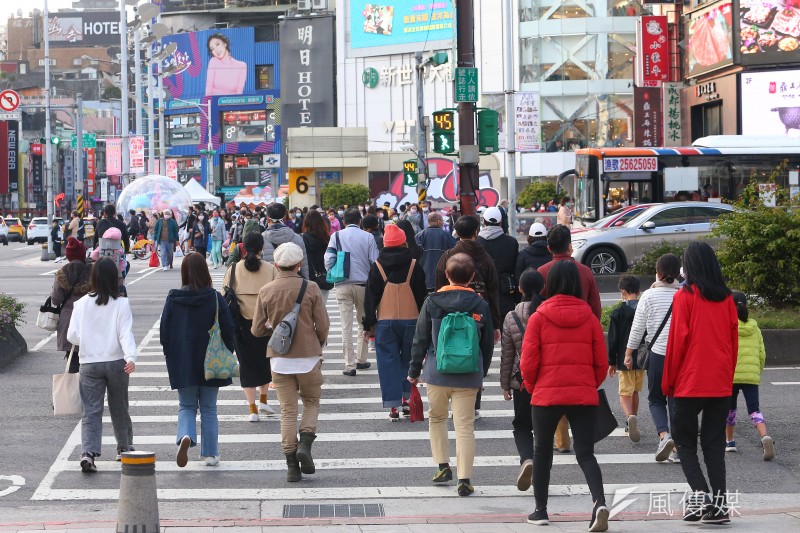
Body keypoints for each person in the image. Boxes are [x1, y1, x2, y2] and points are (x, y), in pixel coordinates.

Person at [520, 260, 608, 531]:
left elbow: (528, 362)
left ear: (550, 284)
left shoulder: (539, 317)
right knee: (585, 453)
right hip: (582, 392)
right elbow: (601, 362)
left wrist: (533, 387)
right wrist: (588, 384)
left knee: (542, 452)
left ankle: (541, 510)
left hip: (546, 394)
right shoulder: (590, 318)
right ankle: (599, 502)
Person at [662, 242, 738, 524]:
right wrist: (726, 378)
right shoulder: (727, 298)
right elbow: (733, 344)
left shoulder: (685, 297)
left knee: (684, 442)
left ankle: (702, 496)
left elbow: (676, 345)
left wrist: (667, 383)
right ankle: (718, 507)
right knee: (714, 446)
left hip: (688, 382)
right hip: (719, 383)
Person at [408, 253, 494, 497]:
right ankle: (464, 479)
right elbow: (486, 345)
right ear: (472, 276)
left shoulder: (433, 301)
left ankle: (443, 466)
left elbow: (421, 339)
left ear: (446, 274)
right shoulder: (480, 304)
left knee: (437, 418)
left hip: (437, 372)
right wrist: (481, 372)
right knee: (465, 426)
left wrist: (414, 371)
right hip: (468, 374)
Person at [251, 243, 330, 482]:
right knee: (311, 401)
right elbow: (323, 324)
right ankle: (305, 444)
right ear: (298, 264)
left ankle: (291, 466)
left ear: (275, 265)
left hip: (279, 360)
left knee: (287, 411)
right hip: (308, 357)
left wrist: (272, 333)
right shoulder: (312, 288)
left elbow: (256, 329)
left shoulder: (266, 290)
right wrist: (317, 343)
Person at [160, 252, 237, 467]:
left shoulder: (173, 299)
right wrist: (226, 351)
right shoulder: (214, 298)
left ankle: (186, 435)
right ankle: (210, 454)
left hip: (182, 359)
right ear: (205, 271)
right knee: (209, 408)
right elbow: (229, 329)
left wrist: (171, 354)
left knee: (186, 406)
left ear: (184, 273)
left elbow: (164, 332)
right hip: (211, 360)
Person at [66, 258, 137, 473]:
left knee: (91, 411)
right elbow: (126, 334)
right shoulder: (121, 303)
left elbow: (72, 336)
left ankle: (88, 453)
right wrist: (131, 357)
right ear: (115, 278)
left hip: (89, 363)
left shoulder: (81, 304)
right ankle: (123, 448)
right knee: (119, 407)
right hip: (117, 362)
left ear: (93, 277)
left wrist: (88, 340)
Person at [362, 224, 427, 420]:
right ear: (404, 242)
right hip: (412, 321)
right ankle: (407, 400)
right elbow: (421, 296)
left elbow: (370, 300)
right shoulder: (414, 265)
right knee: (409, 359)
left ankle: (393, 406)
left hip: (385, 322)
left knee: (387, 362)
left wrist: (368, 326)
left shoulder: (377, 266)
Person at [624, 254, 681, 463]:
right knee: (676, 400)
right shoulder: (685, 294)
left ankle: (664, 436)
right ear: (678, 273)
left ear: (657, 273)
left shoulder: (648, 296)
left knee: (656, 398)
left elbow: (638, 329)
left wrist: (629, 354)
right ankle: (678, 447)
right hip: (680, 357)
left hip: (658, 354)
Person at [222, 232, 278, 422]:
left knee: (246, 365)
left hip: (240, 324)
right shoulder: (271, 269)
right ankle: (264, 400)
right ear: (262, 247)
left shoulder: (234, 268)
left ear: (243, 247)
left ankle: (252, 409)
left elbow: (224, 294)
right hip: (266, 323)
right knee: (265, 362)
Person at [500, 268, 544, 492]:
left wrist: (505, 384)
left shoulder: (511, 316)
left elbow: (507, 354)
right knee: (543, 428)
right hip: (546, 381)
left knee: (522, 425)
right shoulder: (546, 313)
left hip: (522, 380)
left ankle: (527, 459)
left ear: (519, 289)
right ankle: (541, 475)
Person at [324, 208, 379, 376]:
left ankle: (349, 364)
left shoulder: (337, 236)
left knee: (346, 325)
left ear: (344, 221)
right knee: (364, 322)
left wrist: (334, 272)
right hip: (363, 285)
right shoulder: (368, 237)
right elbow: (375, 261)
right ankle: (361, 359)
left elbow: (328, 259)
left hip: (343, 284)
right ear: (360, 221)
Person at [726, 292, 774, 460]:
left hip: (731, 376)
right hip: (751, 376)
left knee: (730, 409)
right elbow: (762, 354)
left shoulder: (727, 326)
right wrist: (757, 371)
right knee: (754, 410)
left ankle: (730, 441)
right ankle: (764, 437)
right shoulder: (755, 328)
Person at [607, 275, 644, 443]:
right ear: (638, 292)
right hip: (641, 359)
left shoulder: (618, 313)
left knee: (624, 393)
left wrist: (612, 362)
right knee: (635, 391)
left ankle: (630, 418)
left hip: (624, 359)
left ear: (622, 292)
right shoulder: (644, 310)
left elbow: (612, 340)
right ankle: (633, 417)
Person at [51, 237, 92, 374]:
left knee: (72, 360)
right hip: (90, 319)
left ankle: (73, 392)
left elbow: (56, 300)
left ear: (68, 256)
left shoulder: (61, 273)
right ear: (83, 254)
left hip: (69, 320)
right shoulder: (93, 271)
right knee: (91, 361)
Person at [477, 207, 519, 319]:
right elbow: (516, 270)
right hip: (505, 293)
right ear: (501, 222)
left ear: (484, 221)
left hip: (481, 295)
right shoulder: (511, 242)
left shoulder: (476, 242)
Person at [261, 203, 309, 279]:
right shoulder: (297, 238)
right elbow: (304, 266)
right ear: (284, 218)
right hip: (294, 285)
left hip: (270, 286)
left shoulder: (261, 240)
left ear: (267, 219)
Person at [416, 212, 457, 293]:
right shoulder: (446, 235)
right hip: (443, 278)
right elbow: (455, 253)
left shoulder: (419, 236)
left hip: (424, 278)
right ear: (439, 222)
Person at [301, 210, 333, 302]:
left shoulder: (302, 238)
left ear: (306, 223)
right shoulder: (327, 239)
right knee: (321, 311)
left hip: (307, 279)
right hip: (323, 278)